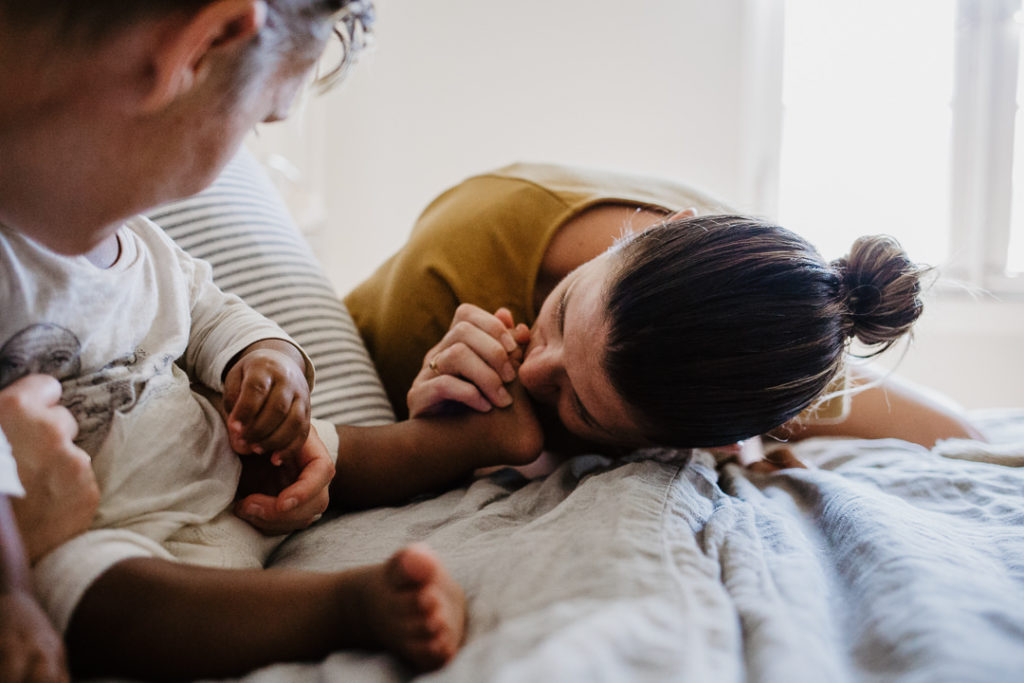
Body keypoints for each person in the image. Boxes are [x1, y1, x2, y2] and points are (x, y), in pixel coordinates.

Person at [0, 2, 544, 680]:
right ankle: (344, 607)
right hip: (120, 535)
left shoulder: (136, 237)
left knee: (331, 446)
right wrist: (13, 591)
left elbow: (208, 307)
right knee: (103, 597)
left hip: (227, 460)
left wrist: (268, 363)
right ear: (201, 47)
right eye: (259, 121)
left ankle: (478, 438)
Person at [346, 162, 984, 460]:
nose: (536, 370)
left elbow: (959, 436)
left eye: (582, 407)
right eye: (562, 312)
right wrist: (444, 439)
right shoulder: (437, 301)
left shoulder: (768, 343)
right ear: (666, 228)